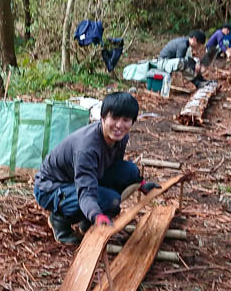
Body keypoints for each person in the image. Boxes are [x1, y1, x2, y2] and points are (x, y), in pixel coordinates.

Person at [33, 92, 160, 245]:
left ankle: (86, 223)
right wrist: (97, 215)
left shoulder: (121, 137)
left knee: (130, 171)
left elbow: (115, 166)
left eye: (125, 120)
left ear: (133, 121)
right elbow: (86, 191)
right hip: (51, 188)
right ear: (102, 118)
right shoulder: (86, 148)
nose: (119, 125)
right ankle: (60, 220)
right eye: (114, 118)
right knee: (111, 201)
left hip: (81, 178)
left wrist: (139, 184)